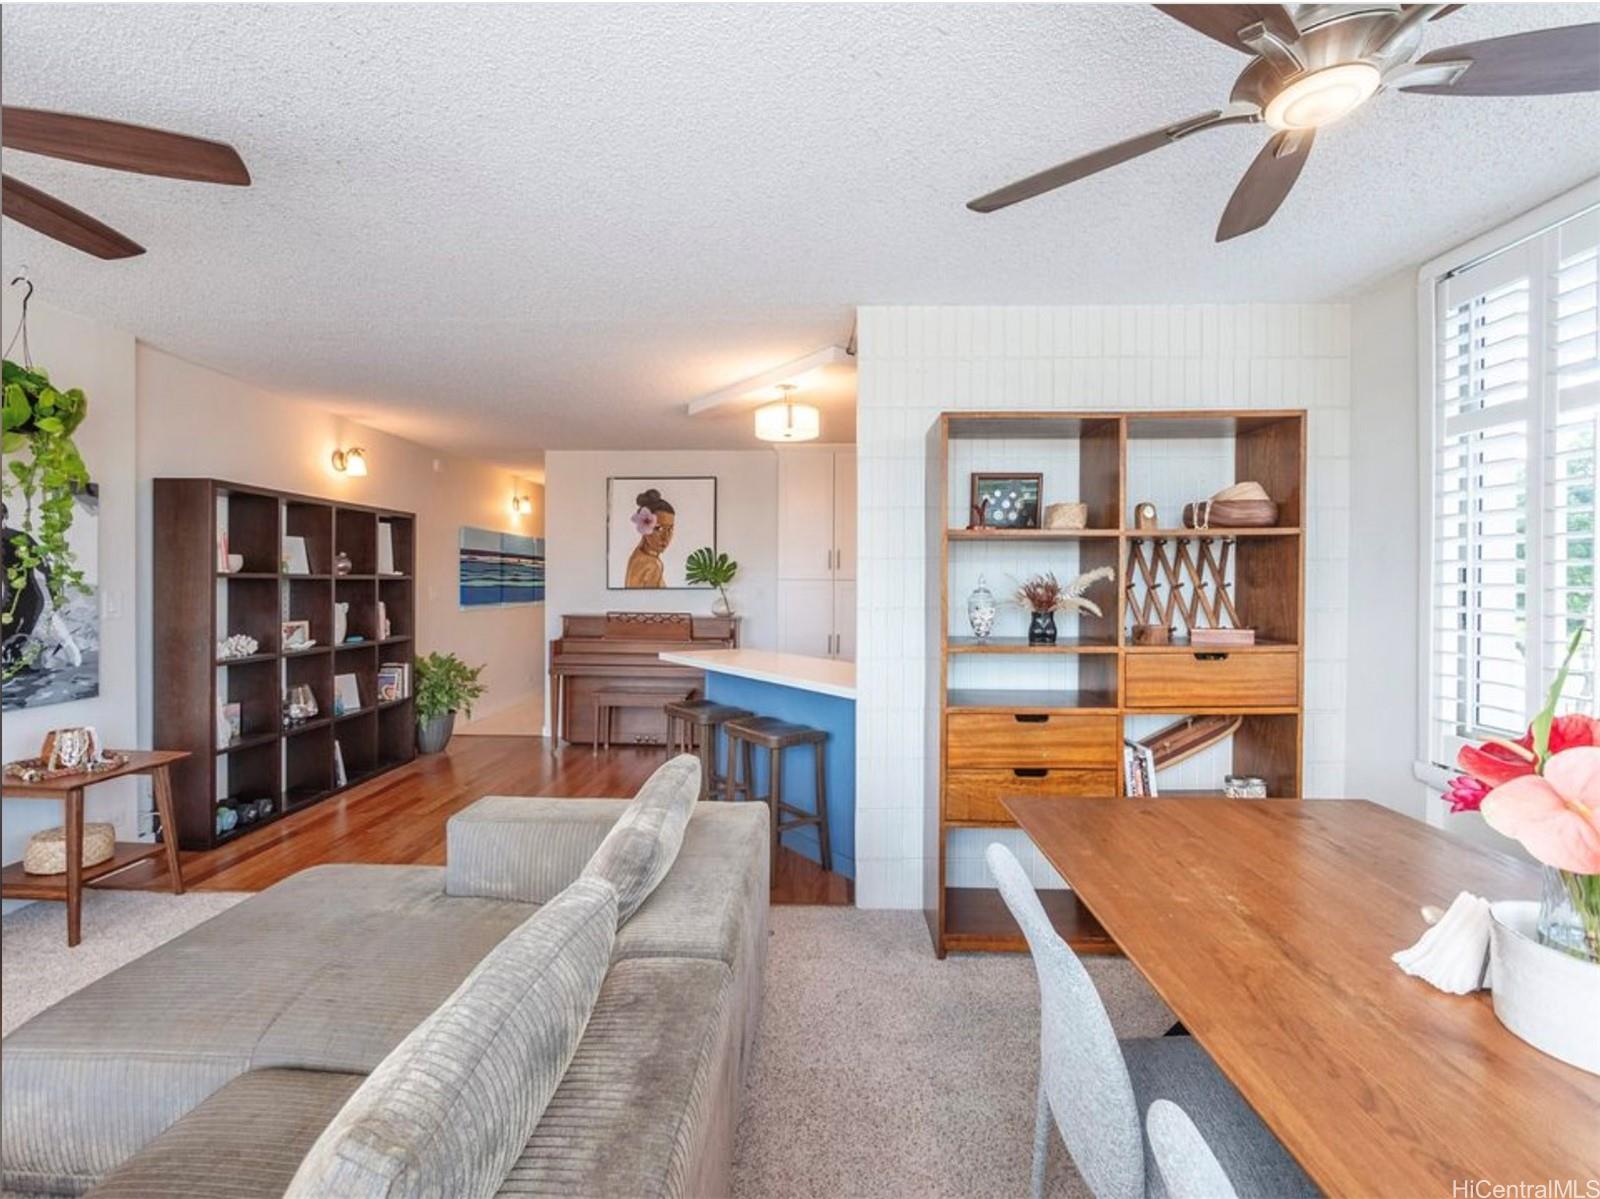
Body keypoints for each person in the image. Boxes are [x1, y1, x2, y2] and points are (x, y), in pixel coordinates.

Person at [625, 489, 675, 588]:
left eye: (670, 529)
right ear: (644, 528)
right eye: (659, 528)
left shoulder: (637, 556)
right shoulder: (653, 565)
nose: (666, 537)